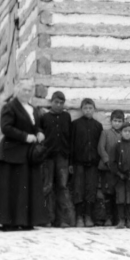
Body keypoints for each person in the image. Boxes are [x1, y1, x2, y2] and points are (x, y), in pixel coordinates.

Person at [0, 80, 48, 230]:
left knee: (25, 189)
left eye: (30, 90)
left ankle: (24, 221)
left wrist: (39, 132)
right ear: (17, 90)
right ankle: (8, 221)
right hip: (10, 154)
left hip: (26, 155)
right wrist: (25, 137)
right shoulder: (10, 107)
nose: (27, 93)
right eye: (24, 90)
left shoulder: (32, 109)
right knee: (11, 189)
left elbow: (36, 125)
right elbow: (6, 128)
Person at [37, 90, 75, 227]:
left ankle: (62, 220)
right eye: (56, 102)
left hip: (63, 157)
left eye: (61, 103)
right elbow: (40, 133)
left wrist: (70, 160)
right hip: (48, 157)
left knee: (62, 187)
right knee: (47, 186)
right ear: (51, 102)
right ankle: (46, 218)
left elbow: (69, 138)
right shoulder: (45, 117)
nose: (58, 105)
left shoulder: (66, 117)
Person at [70, 98, 103, 227]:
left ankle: (88, 216)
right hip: (78, 162)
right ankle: (79, 217)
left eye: (90, 108)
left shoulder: (97, 126)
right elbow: (71, 144)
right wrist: (71, 163)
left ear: (94, 109)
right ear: (81, 109)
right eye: (85, 108)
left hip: (93, 163)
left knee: (91, 189)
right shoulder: (75, 124)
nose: (88, 110)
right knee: (78, 189)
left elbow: (100, 145)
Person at [97, 110, 125, 226]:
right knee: (107, 192)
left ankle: (118, 218)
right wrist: (107, 161)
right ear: (111, 121)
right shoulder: (105, 133)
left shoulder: (124, 134)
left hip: (119, 170)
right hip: (107, 168)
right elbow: (101, 148)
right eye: (115, 121)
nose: (117, 123)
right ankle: (108, 217)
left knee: (118, 193)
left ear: (123, 122)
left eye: (119, 121)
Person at [112, 124, 130, 229]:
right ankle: (121, 220)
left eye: (129, 131)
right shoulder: (117, 146)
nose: (127, 133)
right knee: (120, 197)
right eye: (125, 131)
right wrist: (119, 173)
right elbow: (112, 162)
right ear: (121, 132)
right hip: (119, 177)